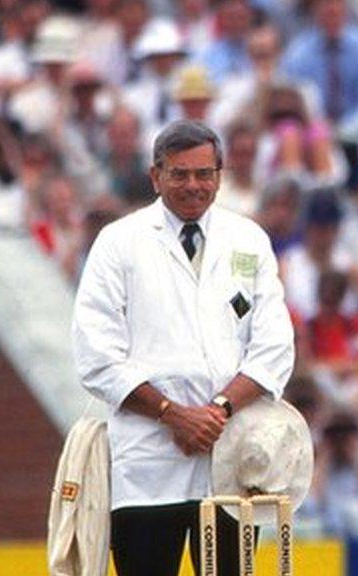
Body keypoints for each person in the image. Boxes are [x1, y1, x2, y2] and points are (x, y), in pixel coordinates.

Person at [72, 120, 295, 576]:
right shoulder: (119, 242)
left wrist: (216, 412)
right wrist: (174, 414)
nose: (193, 185)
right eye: (179, 174)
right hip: (149, 460)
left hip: (231, 455)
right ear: (156, 176)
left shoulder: (247, 238)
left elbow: (275, 347)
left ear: (220, 173)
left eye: (203, 173)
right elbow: (96, 357)